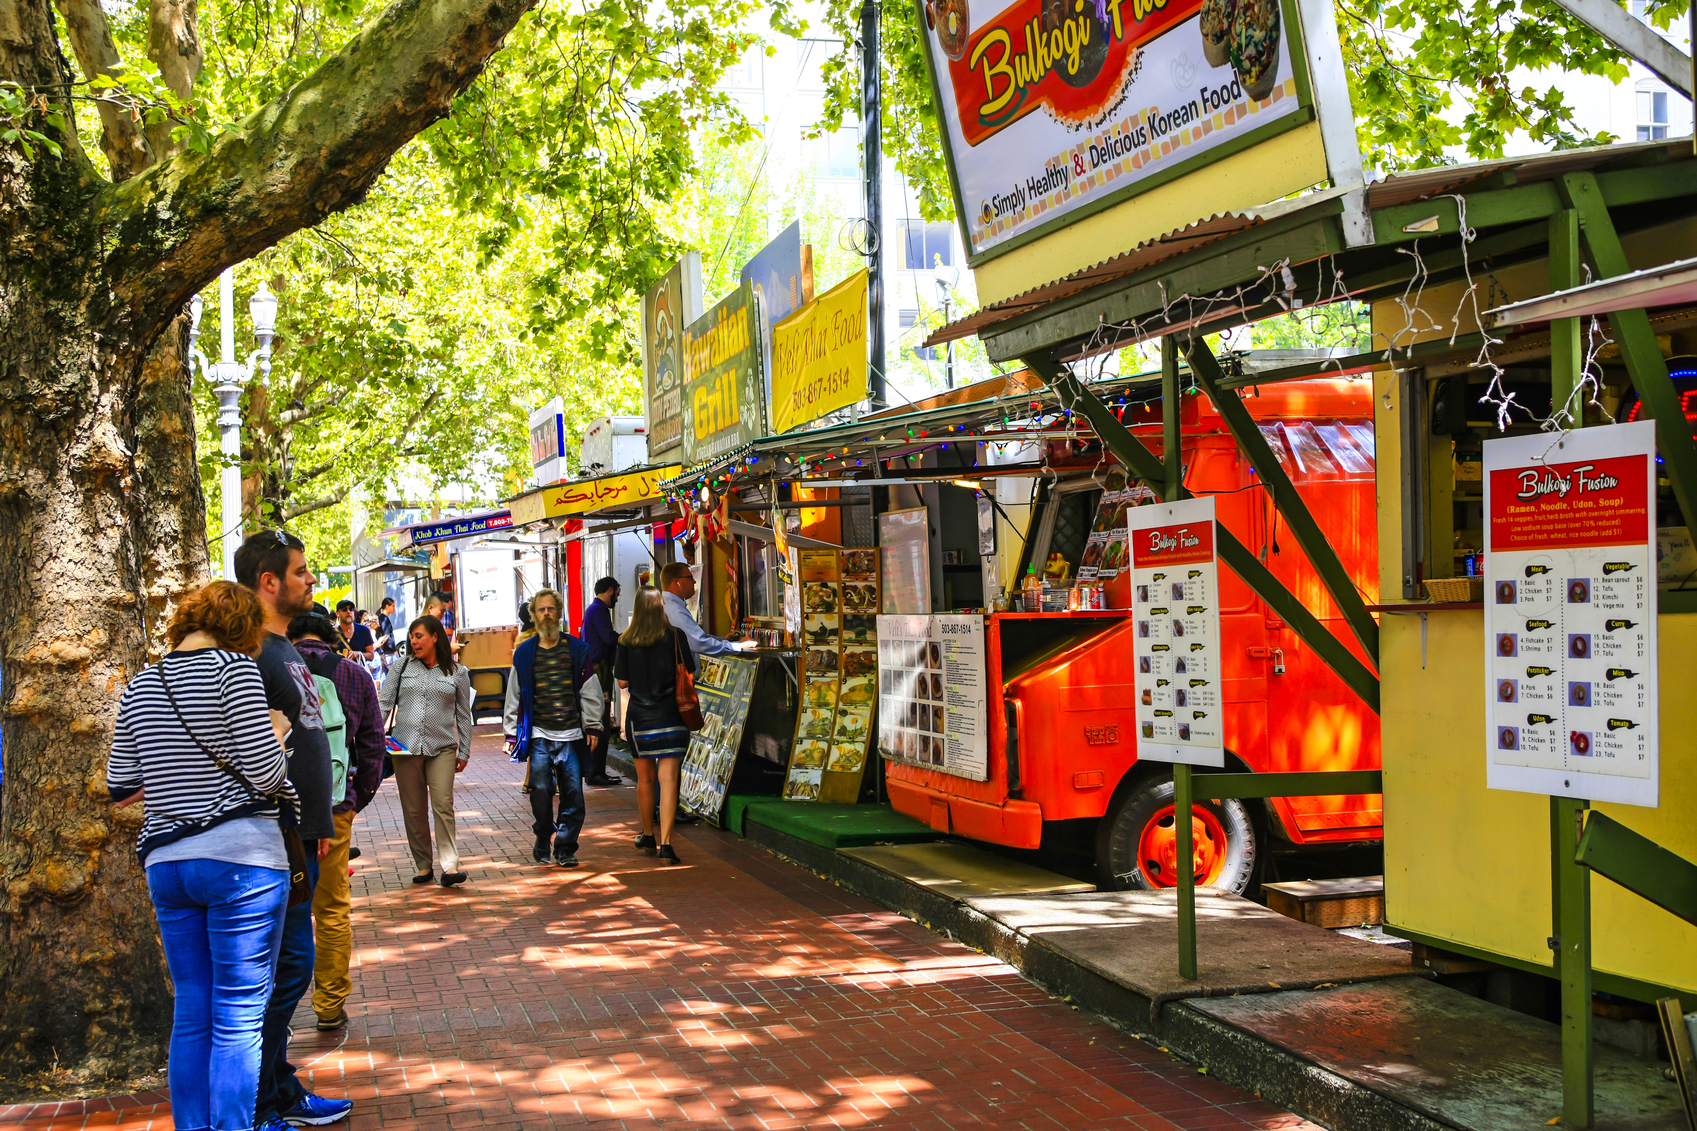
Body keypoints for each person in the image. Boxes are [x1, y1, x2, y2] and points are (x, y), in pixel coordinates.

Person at [107, 581, 298, 1131]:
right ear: (242, 625)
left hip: (167, 861)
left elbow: (122, 782)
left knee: (192, 1009)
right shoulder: (234, 670)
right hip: (242, 859)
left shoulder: (142, 682)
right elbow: (266, 773)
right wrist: (277, 731)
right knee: (238, 1014)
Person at [231, 531, 350, 1130]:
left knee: (292, 966)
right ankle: (260, 1100)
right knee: (286, 968)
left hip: (300, 836)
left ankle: (278, 1088)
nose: (310, 580)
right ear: (269, 582)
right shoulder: (252, 653)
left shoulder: (283, 649)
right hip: (274, 840)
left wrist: (319, 822)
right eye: (300, 572)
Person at [288, 613, 385, 1034]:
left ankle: (277, 1014)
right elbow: (373, 750)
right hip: (333, 808)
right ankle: (329, 1005)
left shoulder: (264, 668)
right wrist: (351, 801)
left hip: (277, 811)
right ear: (332, 638)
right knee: (331, 909)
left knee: (280, 913)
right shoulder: (354, 675)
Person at [502, 588, 605, 866]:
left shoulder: (577, 649)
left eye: (551, 609)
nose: (546, 613)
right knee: (541, 790)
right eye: (541, 609)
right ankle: (543, 832)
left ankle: (565, 848)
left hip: (571, 735)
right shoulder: (524, 653)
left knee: (573, 794)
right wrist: (511, 732)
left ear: (559, 613)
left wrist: (593, 725)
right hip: (539, 735)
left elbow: (590, 690)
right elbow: (515, 693)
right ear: (533, 616)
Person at [380, 615, 473, 887]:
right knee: (414, 809)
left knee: (443, 804)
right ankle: (423, 865)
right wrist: (370, 738)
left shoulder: (457, 673)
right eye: (411, 637)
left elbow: (464, 715)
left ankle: (450, 866)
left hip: (442, 747)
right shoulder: (401, 667)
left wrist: (464, 750)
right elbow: (384, 704)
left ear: (435, 637)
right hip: (403, 747)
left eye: (419, 636)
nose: (413, 641)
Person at [616, 589, 695, 865]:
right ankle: (667, 844)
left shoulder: (626, 641)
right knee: (670, 780)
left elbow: (622, 682)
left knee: (646, 780)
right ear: (661, 606)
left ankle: (648, 834)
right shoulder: (676, 636)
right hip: (672, 717)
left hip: (640, 719)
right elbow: (690, 674)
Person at [580, 577, 624, 787]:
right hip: (599, 670)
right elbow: (609, 638)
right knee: (601, 719)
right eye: (617, 592)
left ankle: (595, 770)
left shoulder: (592, 609)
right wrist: (628, 638)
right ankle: (595, 772)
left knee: (599, 717)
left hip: (597, 667)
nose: (618, 596)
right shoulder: (599, 610)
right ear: (610, 590)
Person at [659, 562, 754, 658]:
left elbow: (696, 637)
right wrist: (738, 646)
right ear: (677, 582)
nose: (694, 582)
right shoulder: (675, 611)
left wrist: (722, 640)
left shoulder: (668, 605)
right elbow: (699, 643)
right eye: (690, 578)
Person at [425, 591, 466, 660]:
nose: (443, 615)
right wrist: (449, 650)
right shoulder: (424, 627)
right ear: (430, 608)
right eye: (442, 611)